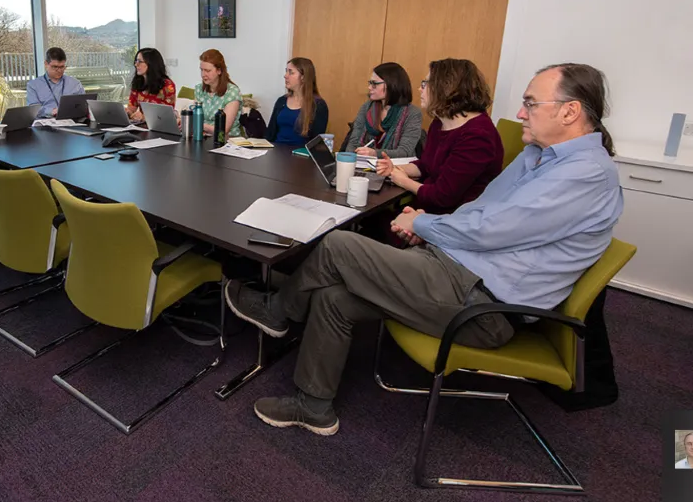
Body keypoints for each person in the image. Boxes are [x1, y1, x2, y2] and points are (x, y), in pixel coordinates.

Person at [224, 63, 623, 436]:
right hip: (454, 273)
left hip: (483, 306)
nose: (520, 113)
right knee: (334, 296)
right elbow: (481, 210)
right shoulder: (539, 156)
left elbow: (490, 230)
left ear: (570, 112)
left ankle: (277, 310)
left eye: (531, 104)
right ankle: (314, 406)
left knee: (338, 244)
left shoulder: (584, 174)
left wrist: (425, 224)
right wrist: (433, 229)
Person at [375, 58, 503, 214]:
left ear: (446, 87)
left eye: (425, 84)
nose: (420, 89)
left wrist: (403, 181)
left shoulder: (477, 136)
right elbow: (426, 165)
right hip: (427, 208)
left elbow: (443, 196)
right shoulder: (441, 121)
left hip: (455, 217)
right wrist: (395, 169)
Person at [344, 62, 422, 157]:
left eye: (374, 84)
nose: (369, 87)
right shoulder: (367, 107)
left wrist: (375, 153)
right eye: (370, 83)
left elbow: (404, 152)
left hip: (395, 165)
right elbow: (353, 143)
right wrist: (348, 160)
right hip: (363, 163)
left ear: (392, 84)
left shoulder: (412, 113)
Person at [265, 58, 329, 146]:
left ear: (303, 77)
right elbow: (270, 134)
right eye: (286, 71)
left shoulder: (318, 105)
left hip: (301, 153)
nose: (285, 76)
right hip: (276, 150)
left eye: (291, 72)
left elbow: (316, 143)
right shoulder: (281, 101)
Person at [26, 47, 86, 118]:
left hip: (71, 120)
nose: (59, 70)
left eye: (62, 67)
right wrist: (52, 111)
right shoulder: (33, 85)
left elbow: (84, 105)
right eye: (55, 67)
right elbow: (33, 109)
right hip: (45, 121)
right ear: (46, 64)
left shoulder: (75, 84)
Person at [195, 49, 242, 137]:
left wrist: (198, 125)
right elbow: (195, 116)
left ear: (219, 71)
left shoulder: (232, 92)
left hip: (226, 139)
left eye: (207, 71)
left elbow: (224, 129)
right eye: (201, 70)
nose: (203, 74)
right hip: (203, 136)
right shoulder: (199, 89)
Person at [127, 48, 176, 122]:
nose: (136, 64)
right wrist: (127, 112)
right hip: (141, 126)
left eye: (140, 61)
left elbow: (166, 116)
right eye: (136, 61)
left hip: (159, 127)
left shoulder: (168, 85)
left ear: (151, 64)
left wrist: (143, 117)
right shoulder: (138, 82)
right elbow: (131, 109)